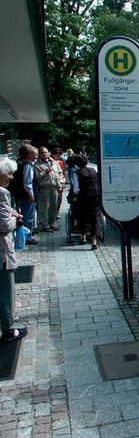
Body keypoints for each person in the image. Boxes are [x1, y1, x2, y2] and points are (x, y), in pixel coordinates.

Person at [0, 156, 28, 343]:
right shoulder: (2, 193)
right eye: (9, 173)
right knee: (6, 289)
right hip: (1, 250)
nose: (11, 177)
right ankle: (8, 328)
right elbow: (3, 225)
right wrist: (14, 219)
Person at [11, 144, 38, 245]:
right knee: (28, 216)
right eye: (33, 153)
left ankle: (22, 233)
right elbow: (28, 182)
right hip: (26, 195)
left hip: (18, 193)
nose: (35, 155)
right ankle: (26, 236)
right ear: (28, 154)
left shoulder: (18, 162)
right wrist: (31, 194)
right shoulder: (27, 165)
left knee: (22, 214)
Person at [74, 155, 101, 249]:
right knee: (95, 217)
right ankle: (94, 239)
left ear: (76, 164)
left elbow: (75, 189)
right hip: (95, 196)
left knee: (82, 215)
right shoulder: (93, 170)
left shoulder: (77, 173)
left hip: (84, 197)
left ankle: (83, 236)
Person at [34, 147, 63, 232]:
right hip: (44, 188)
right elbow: (36, 177)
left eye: (46, 152)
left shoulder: (53, 162)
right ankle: (44, 224)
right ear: (39, 154)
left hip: (54, 187)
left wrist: (60, 183)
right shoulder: (36, 164)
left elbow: (60, 172)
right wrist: (45, 172)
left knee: (54, 205)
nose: (44, 154)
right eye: (42, 153)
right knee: (44, 207)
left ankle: (52, 222)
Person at [51, 148, 66, 219]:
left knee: (59, 198)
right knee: (53, 200)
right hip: (53, 182)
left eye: (60, 155)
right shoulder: (50, 162)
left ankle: (57, 212)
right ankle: (52, 214)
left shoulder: (61, 162)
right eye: (57, 155)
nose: (59, 156)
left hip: (61, 181)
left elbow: (63, 172)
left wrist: (63, 182)